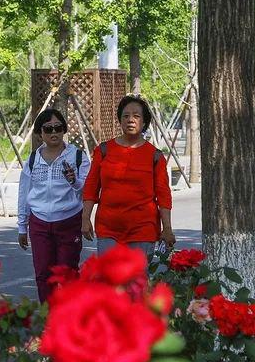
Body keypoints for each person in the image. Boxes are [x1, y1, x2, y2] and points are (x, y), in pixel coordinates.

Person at [82, 95, 175, 257]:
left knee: (136, 281)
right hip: (108, 228)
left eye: (136, 116)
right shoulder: (103, 151)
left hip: (143, 229)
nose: (130, 120)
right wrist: (85, 218)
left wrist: (167, 229)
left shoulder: (155, 156)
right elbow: (91, 187)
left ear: (144, 122)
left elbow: (163, 196)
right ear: (120, 120)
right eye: (125, 116)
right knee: (110, 279)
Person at [17, 109, 90, 302]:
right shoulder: (33, 160)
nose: (54, 133)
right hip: (39, 223)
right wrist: (22, 227)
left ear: (64, 130)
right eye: (48, 129)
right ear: (40, 133)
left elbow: (88, 192)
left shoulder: (77, 157)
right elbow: (24, 194)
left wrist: (74, 181)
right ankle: (47, 319)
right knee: (43, 275)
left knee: (68, 274)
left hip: (69, 221)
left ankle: (70, 320)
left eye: (58, 128)